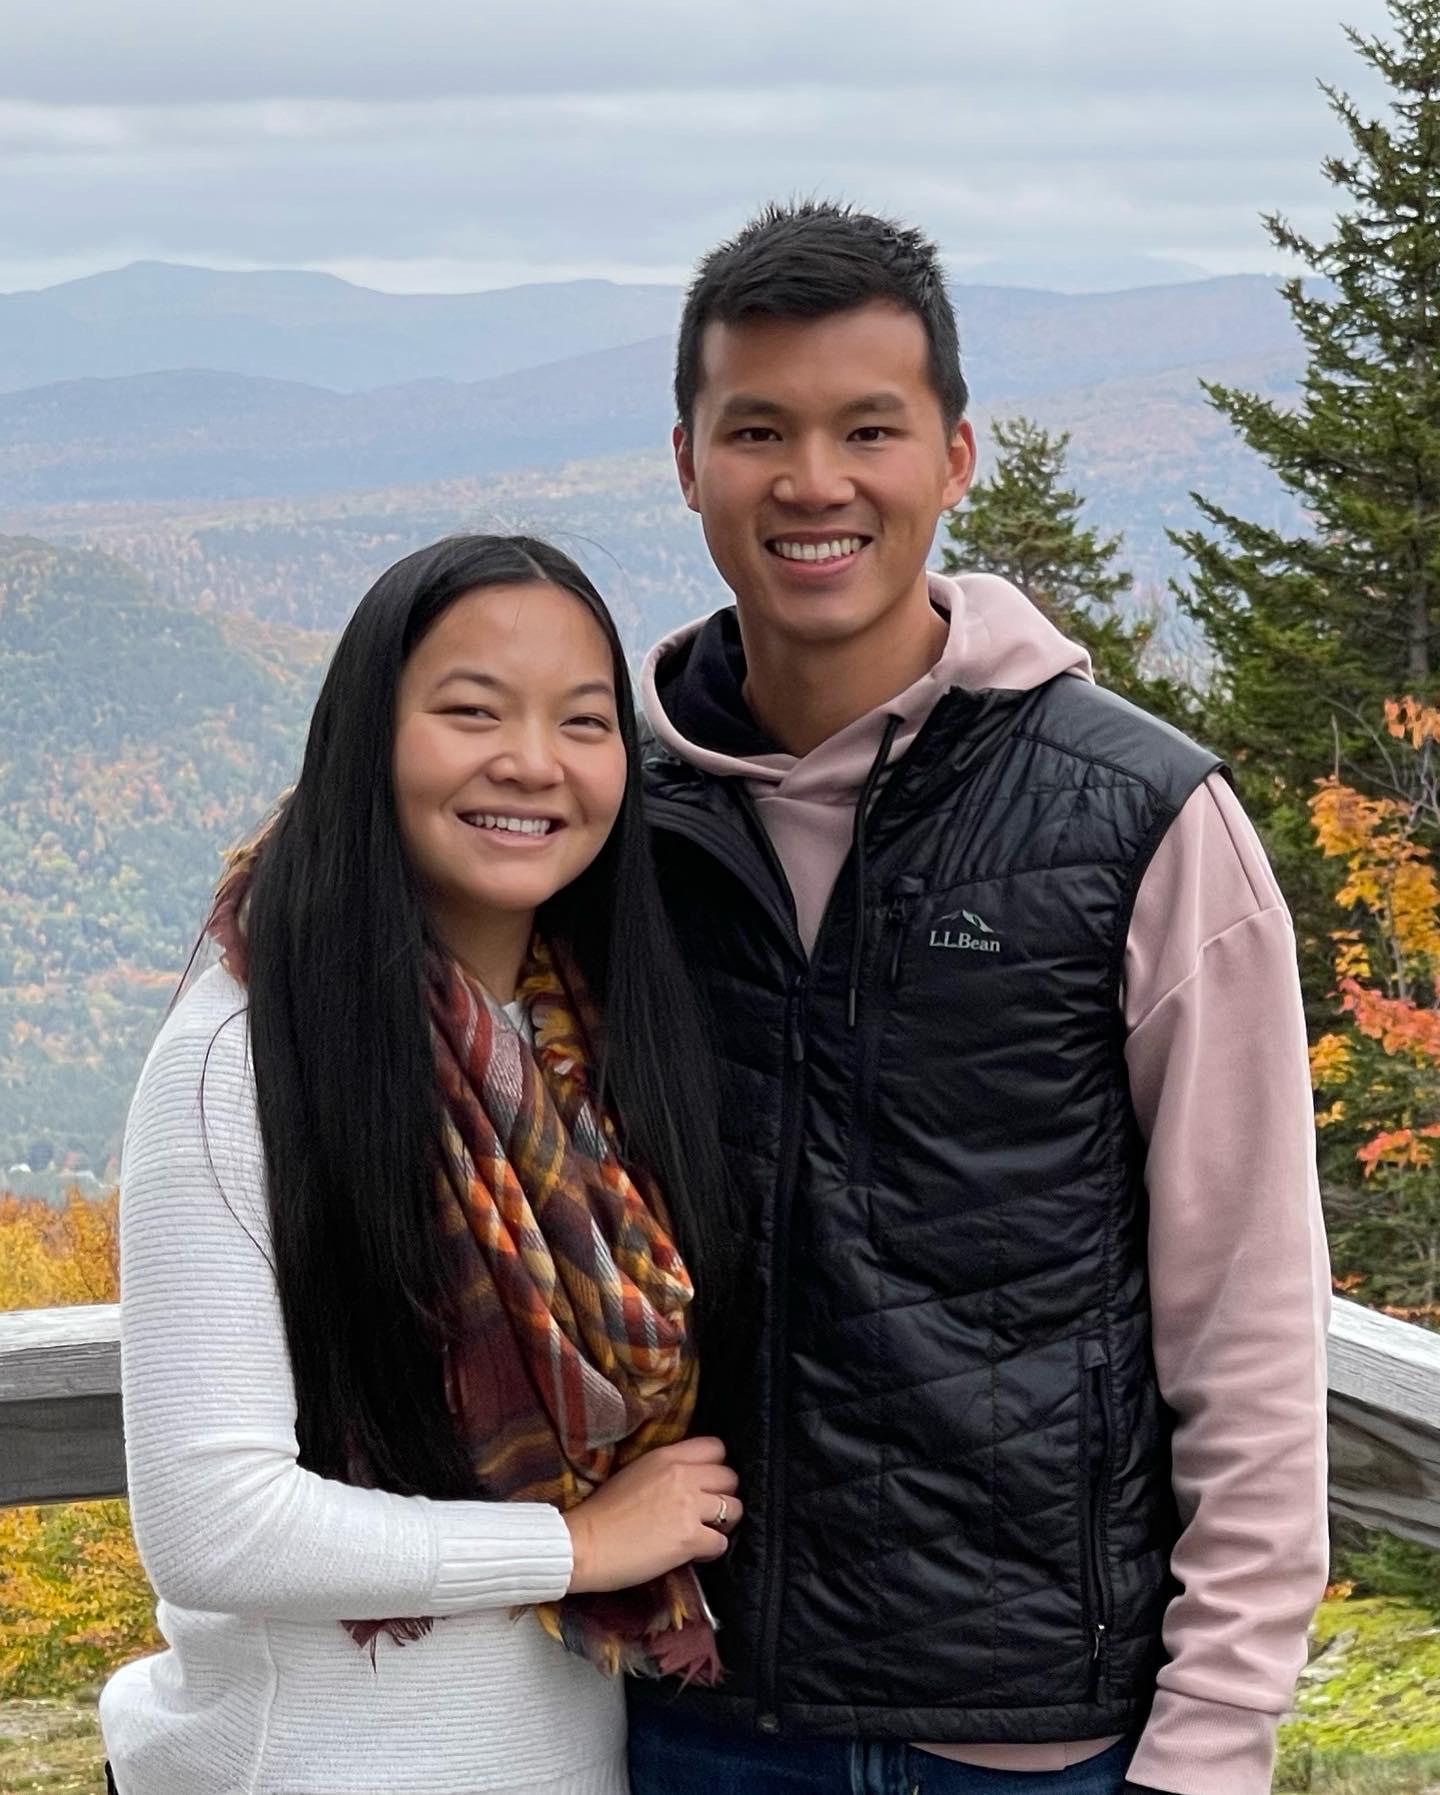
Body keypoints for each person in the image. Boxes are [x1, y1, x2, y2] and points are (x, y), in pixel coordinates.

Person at [627, 203, 1331, 1795]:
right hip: (690, 1718)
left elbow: (1252, 1318)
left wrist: (1211, 1742)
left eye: (869, 426)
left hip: (1034, 1743)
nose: (816, 481)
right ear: (688, 461)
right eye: (760, 429)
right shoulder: (624, 816)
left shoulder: (1137, 819)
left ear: (954, 456)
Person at [99, 534, 742, 1795]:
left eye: (584, 720)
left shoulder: (597, 1041)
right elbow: (211, 1525)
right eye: (470, 711)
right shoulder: (244, 1055)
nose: (533, 762)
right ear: (368, 741)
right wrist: (574, 1546)